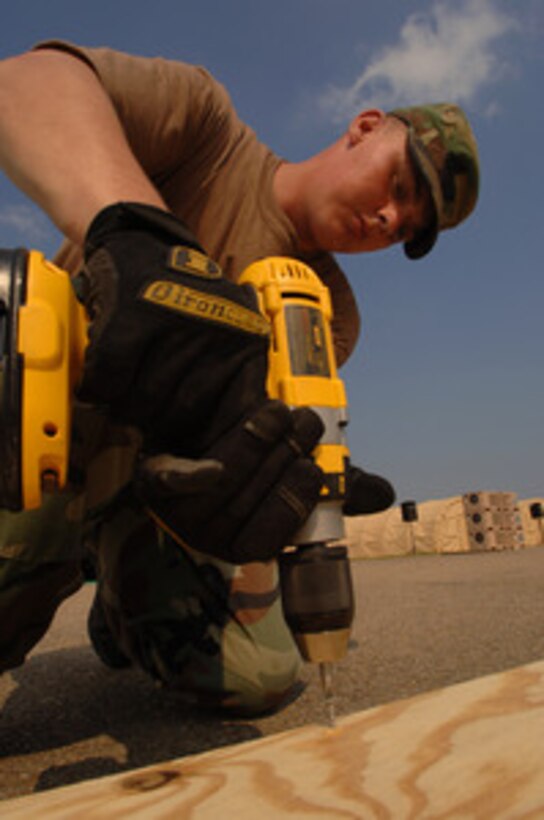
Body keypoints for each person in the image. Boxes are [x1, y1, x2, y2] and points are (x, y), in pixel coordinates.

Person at [0, 43, 479, 714]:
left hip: (152, 488)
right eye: (400, 187)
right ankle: (72, 560)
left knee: (258, 675)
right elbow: (25, 81)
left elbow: (246, 451)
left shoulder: (329, 316)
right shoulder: (206, 130)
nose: (390, 219)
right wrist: (137, 235)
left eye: (406, 229)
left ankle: (121, 598)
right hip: (38, 436)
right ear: (365, 127)